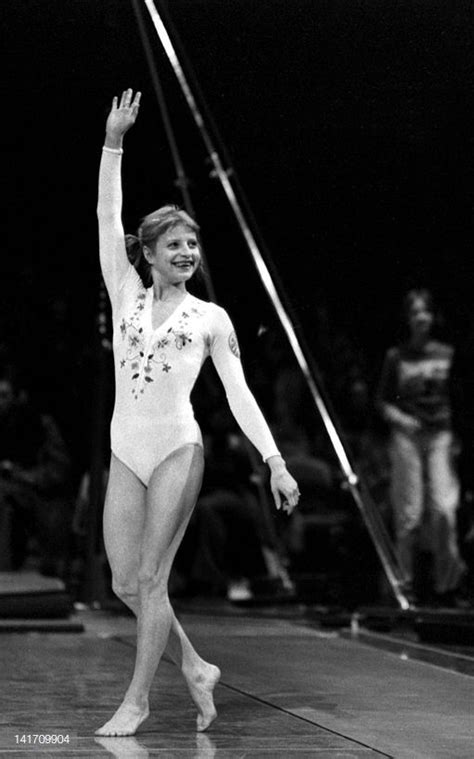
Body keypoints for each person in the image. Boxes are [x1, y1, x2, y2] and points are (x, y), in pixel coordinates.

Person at [96, 89, 299, 737]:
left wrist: (274, 460)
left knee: (154, 575)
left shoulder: (210, 318)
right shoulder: (123, 290)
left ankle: (138, 702)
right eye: (175, 244)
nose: (187, 252)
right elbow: (107, 214)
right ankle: (195, 663)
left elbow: (239, 392)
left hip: (178, 449)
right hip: (125, 448)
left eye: (193, 244)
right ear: (148, 252)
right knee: (127, 580)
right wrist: (114, 141)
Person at [376, 288, 466, 605]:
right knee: (409, 515)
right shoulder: (396, 356)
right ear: (408, 318)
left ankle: (448, 586)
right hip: (407, 435)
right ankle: (404, 587)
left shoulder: (447, 353)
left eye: (424, 311)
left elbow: (458, 398)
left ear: (432, 315)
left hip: (440, 434)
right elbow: (383, 402)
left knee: (443, 509)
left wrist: (456, 438)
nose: (420, 318)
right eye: (414, 312)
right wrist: (401, 419)